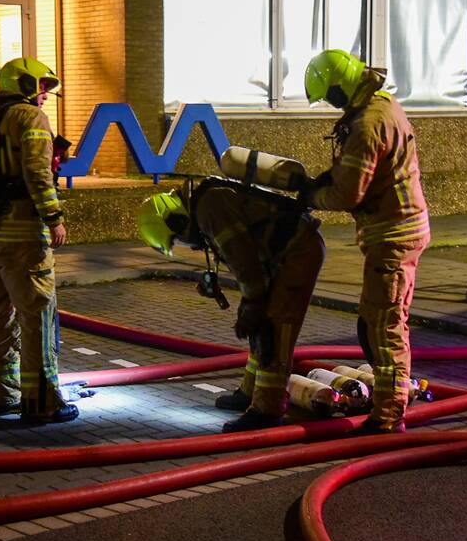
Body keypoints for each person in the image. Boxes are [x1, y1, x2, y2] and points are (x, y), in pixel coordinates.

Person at [301, 49, 430, 434]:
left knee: (385, 326)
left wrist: (310, 196)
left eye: (330, 96)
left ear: (341, 86)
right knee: (372, 322)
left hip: (392, 235)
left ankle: (388, 416)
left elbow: (349, 194)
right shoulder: (380, 105)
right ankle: (389, 401)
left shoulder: (368, 124)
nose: (330, 104)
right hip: (397, 230)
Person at [137, 178, 325, 433]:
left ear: (175, 218)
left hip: (298, 251)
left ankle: (267, 410)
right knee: (259, 325)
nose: (187, 243)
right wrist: (249, 305)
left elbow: (244, 262)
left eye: (178, 238)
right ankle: (250, 393)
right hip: (279, 254)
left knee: (274, 328)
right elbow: (244, 259)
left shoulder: (210, 207)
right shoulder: (205, 206)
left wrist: (251, 304)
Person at [0, 57, 77, 424]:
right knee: (37, 316)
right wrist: (54, 217)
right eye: (41, 86)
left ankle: (1, 394)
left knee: (0, 315)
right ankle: (42, 401)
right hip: (25, 235)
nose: (44, 95)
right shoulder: (30, 118)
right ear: (24, 84)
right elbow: (38, 173)